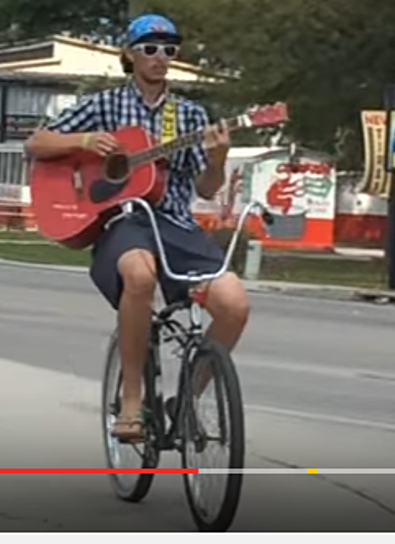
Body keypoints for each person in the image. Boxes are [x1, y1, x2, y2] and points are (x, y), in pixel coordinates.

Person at [25, 13, 250, 443]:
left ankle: (185, 399)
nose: (161, 56)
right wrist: (85, 141)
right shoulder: (104, 105)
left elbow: (206, 186)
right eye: (150, 47)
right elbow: (37, 143)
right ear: (129, 53)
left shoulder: (190, 114)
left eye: (170, 48)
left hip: (175, 223)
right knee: (139, 274)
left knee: (235, 304)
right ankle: (132, 398)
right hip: (122, 221)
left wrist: (218, 158)